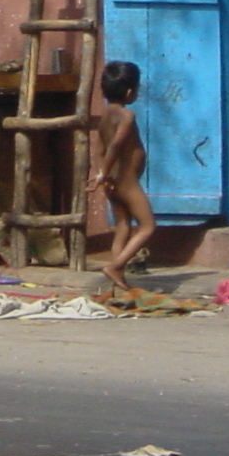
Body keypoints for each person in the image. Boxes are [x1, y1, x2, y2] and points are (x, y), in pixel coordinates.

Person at [91, 60, 155, 290]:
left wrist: (102, 173)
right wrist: (103, 174)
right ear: (130, 92)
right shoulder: (127, 116)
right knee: (147, 226)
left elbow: (99, 149)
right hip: (127, 182)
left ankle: (118, 282)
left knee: (123, 226)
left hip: (113, 182)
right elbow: (115, 146)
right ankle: (116, 266)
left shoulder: (105, 115)